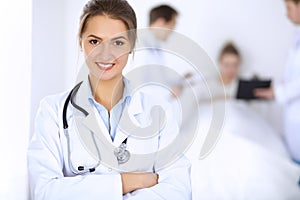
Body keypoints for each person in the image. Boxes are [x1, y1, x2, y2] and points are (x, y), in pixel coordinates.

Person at [27, 0, 191, 199]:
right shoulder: (52, 111)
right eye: (95, 41)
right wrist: (126, 182)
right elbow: (44, 192)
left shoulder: (159, 111)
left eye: (118, 42)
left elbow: (178, 191)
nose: (106, 54)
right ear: (81, 42)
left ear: (132, 45)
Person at [254, 0, 300, 164]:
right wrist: (277, 90)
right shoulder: (297, 36)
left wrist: (278, 92)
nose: (286, 14)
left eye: (289, 8)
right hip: (293, 112)